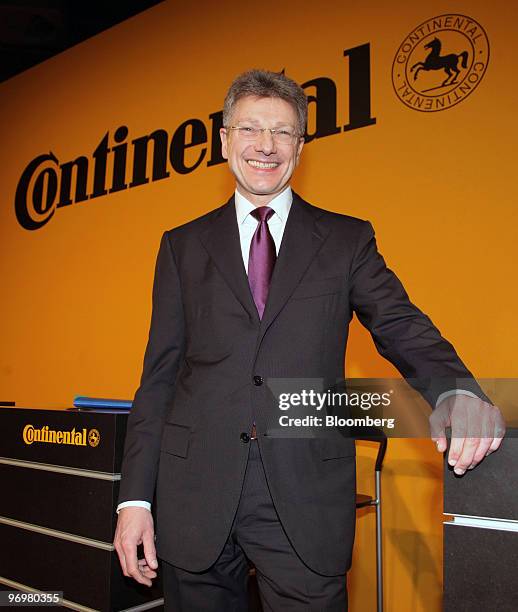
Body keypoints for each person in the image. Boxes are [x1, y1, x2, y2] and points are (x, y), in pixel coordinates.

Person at [114, 69, 505, 611]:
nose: (266, 146)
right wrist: (134, 499)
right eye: (250, 128)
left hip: (303, 500)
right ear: (225, 139)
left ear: (301, 146)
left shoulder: (346, 239)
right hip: (192, 496)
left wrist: (454, 389)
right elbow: (158, 379)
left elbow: (399, 323)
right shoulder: (181, 247)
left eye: (283, 132)